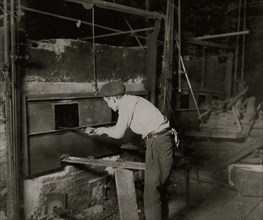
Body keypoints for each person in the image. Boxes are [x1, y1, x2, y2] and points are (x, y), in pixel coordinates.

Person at [85, 81, 178, 220]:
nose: (108, 105)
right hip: (165, 139)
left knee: (152, 192)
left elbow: (118, 133)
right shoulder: (133, 100)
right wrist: (99, 131)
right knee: (159, 188)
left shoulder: (126, 105)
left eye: (107, 102)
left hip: (158, 142)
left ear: (114, 98)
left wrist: (102, 130)